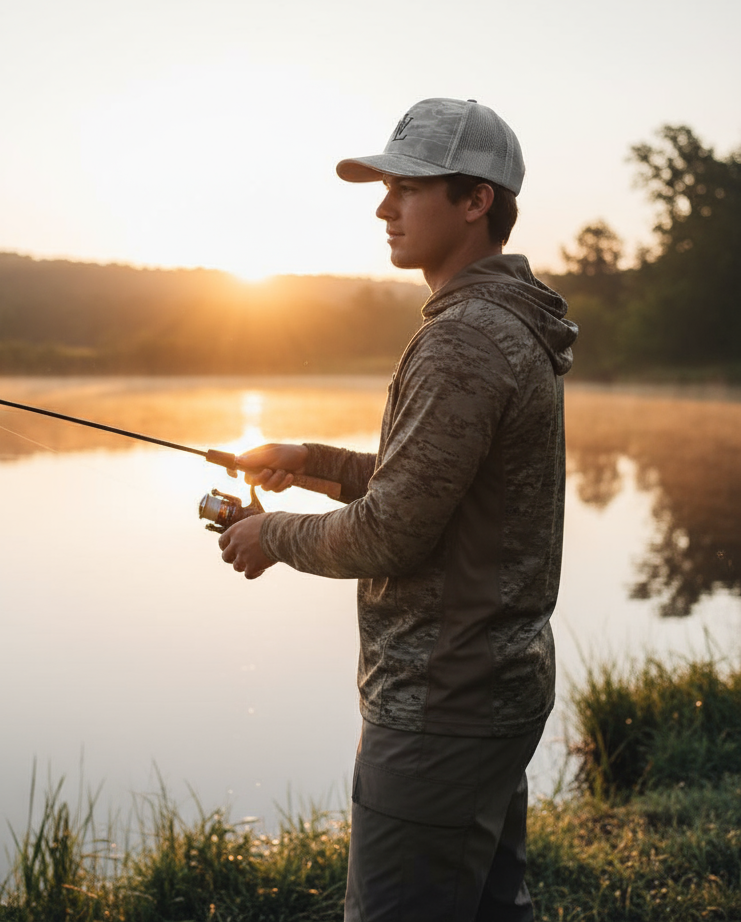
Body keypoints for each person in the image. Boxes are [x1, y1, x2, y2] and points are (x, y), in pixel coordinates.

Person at [218, 97, 578, 921]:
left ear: (475, 200)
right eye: (385, 186)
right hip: (492, 689)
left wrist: (269, 535)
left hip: (438, 709)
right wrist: (313, 463)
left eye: (408, 187)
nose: (384, 206)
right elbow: (439, 486)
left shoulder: (462, 338)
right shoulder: (504, 325)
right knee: (488, 906)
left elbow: (395, 529)